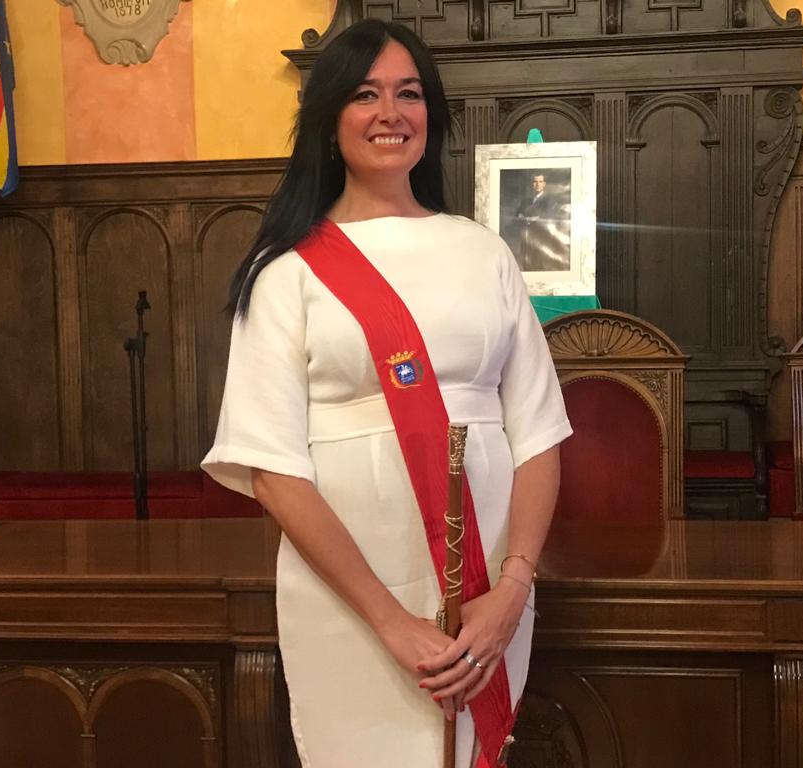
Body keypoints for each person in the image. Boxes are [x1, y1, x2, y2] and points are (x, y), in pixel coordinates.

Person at [202, 18, 571, 768]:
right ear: (329, 116)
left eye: (408, 94)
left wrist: (512, 590)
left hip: (487, 597)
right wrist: (392, 620)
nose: (389, 113)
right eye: (365, 95)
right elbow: (272, 469)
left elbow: (539, 433)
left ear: (430, 115)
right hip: (348, 606)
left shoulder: (483, 252)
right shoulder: (287, 275)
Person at [514, 172, 571, 272]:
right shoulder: (526, 201)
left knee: (539, 267)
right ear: (532, 184)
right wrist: (520, 216)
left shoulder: (550, 201)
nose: (538, 184)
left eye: (540, 181)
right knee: (526, 267)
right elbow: (517, 215)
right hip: (527, 241)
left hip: (541, 241)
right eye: (535, 182)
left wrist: (537, 219)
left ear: (544, 184)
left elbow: (552, 217)